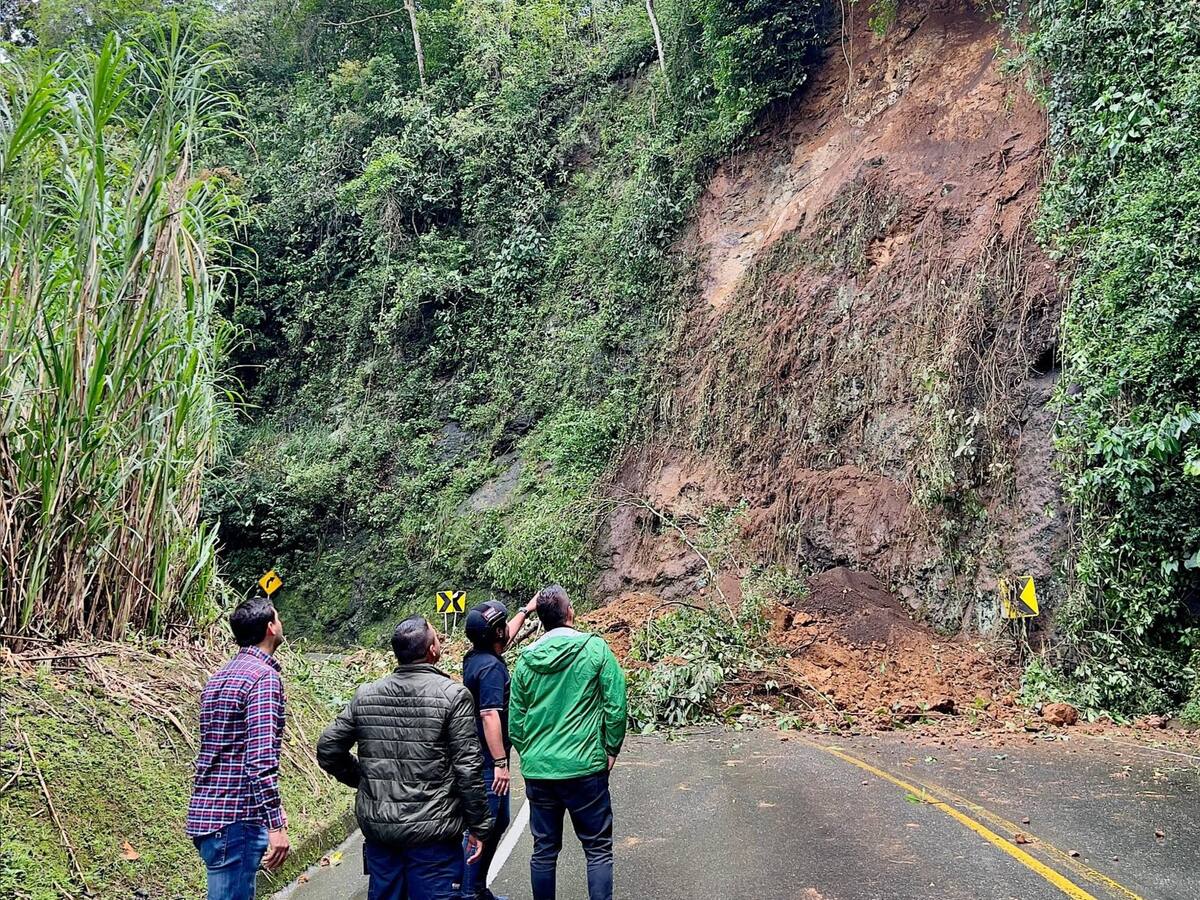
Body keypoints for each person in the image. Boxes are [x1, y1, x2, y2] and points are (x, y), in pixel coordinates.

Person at [317, 616, 492, 900]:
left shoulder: (367, 694)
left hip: (382, 832)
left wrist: (364, 780)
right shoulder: (453, 696)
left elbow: (328, 748)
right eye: (437, 638)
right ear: (432, 651)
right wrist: (480, 826)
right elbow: (468, 768)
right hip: (433, 834)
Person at [510, 586, 627, 900]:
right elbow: (616, 705)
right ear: (570, 613)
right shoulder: (595, 649)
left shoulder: (524, 662)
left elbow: (516, 721)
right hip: (585, 767)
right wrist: (610, 749)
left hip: (539, 772)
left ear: (543, 620)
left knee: (544, 850)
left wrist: (530, 754)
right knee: (598, 848)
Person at [186, 598, 291, 900]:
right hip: (236, 819)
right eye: (278, 618)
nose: (280, 623)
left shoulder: (220, 676)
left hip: (209, 814)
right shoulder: (263, 678)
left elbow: (219, 749)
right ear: (271, 627)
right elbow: (260, 759)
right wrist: (276, 827)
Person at [461, 596, 538, 899]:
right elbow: (489, 714)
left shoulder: (475, 658)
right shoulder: (492, 669)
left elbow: (504, 638)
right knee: (483, 825)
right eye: (502, 626)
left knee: (498, 820)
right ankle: (469, 892)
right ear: (495, 634)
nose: (508, 628)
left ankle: (476, 887)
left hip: (477, 755)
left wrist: (525, 610)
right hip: (485, 761)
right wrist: (500, 763)